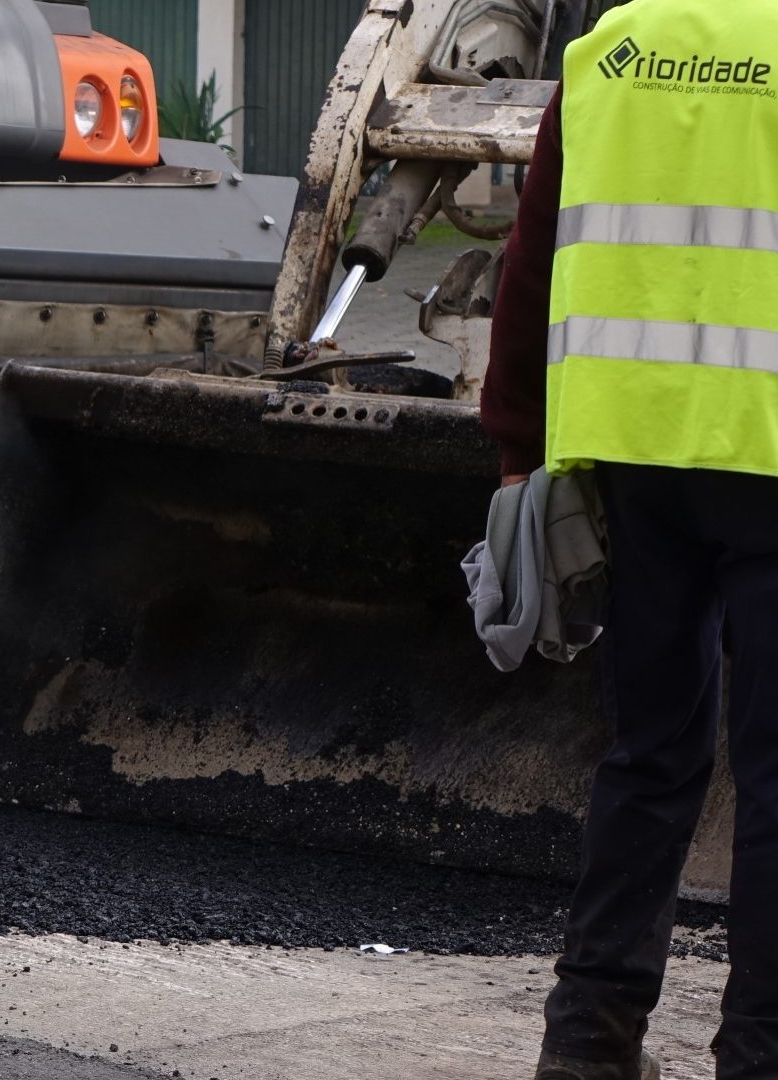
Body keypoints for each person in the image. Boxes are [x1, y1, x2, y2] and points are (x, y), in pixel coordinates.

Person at [484, 2, 778, 1078]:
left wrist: (517, 441)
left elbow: (533, 250)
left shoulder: (609, 53)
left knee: (650, 755)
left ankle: (588, 1043)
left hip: (639, 456)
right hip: (769, 453)